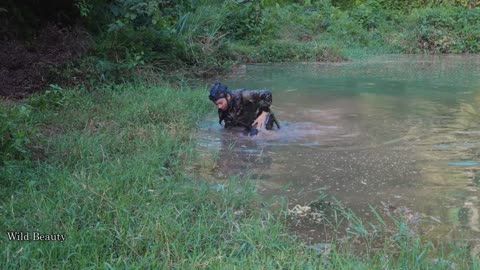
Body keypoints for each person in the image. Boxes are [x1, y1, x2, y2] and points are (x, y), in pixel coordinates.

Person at [208, 82, 279, 136]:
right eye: (217, 104)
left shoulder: (245, 95)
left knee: (257, 137)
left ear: (227, 96)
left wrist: (264, 113)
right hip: (248, 123)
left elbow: (267, 94)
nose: (219, 107)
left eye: (220, 103)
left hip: (262, 116)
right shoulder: (224, 109)